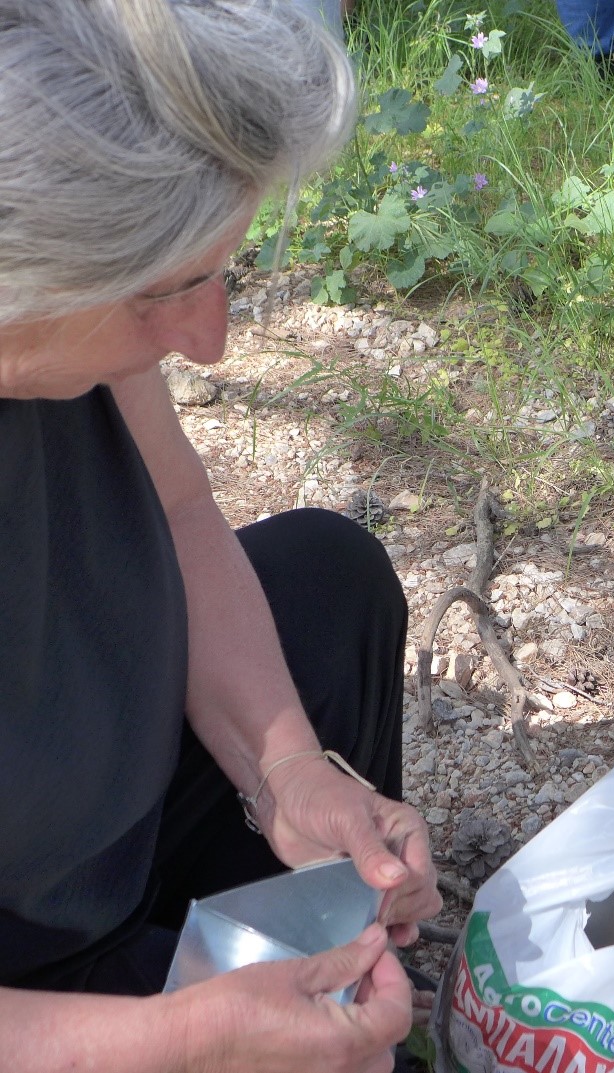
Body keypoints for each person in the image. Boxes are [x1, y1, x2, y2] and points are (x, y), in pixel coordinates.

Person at [0, 2, 442, 1070]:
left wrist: (287, 768)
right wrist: (180, 1038)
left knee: (330, 585)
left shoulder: (63, 291)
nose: (209, 341)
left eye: (217, 273)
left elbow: (184, 511)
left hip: (75, 810)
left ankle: (301, 984)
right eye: (167, 293)